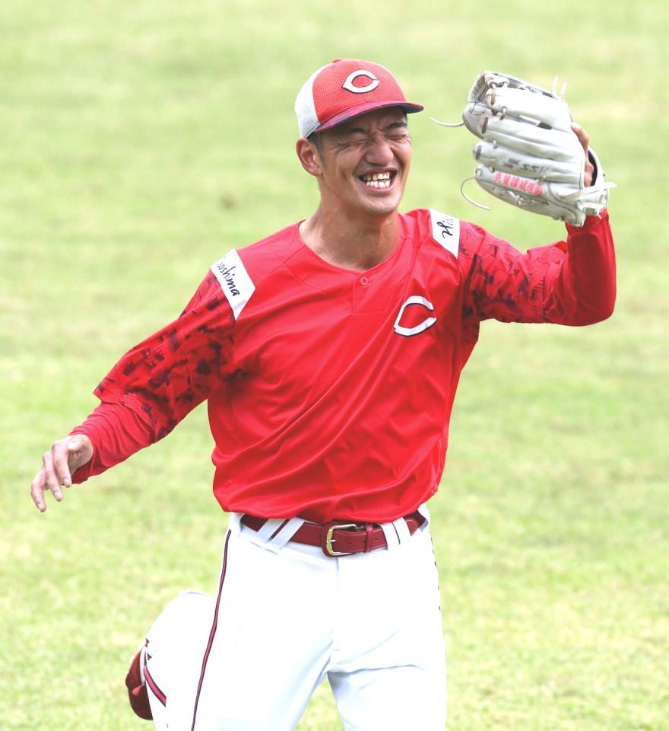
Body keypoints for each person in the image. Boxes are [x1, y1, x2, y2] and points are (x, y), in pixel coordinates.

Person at [30, 58, 616, 730]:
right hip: (275, 575)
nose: (380, 153)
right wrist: (89, 442)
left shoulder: (452, 255)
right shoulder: (245, 286)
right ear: (309, 157)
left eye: (394, 132)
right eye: (353, 138)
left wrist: (588, 209)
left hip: (396, 578)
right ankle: (181, 650)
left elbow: (579, 298)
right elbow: (154, 392)